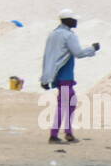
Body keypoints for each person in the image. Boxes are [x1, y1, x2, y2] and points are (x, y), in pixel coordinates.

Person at [39, 9, 99, 144]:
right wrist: (93, 49)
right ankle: (54, 135)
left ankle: (68, 133)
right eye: (74, 19)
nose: (76, 21)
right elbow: (78, 53)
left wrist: (44, 77)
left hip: (57, 75)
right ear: (68, 20)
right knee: (65, 104)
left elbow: (48, 57)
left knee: (70, 103)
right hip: (65, 76)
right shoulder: (68, 35)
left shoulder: (53, 34)